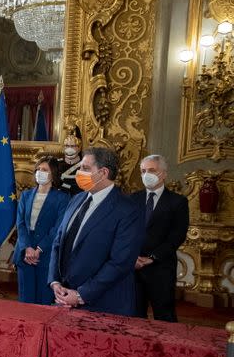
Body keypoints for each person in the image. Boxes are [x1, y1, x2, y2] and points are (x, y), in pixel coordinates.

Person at [48, 147, 144, 316]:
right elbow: (58, 242)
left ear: (103, 172)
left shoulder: (128, 209)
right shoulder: (76, 199)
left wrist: (80, 295)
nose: (78, 173)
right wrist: (55, 281)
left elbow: (120, 262)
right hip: (64, 298)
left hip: (104, 305)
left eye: (85, 168)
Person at [131, 155, 190, 322]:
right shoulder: (132, 199)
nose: (146, 175)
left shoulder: (178, 202)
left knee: (165, 316)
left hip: (161, 268)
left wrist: (152, 258)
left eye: (151, 170)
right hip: (133, 267)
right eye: (143, 171)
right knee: (133, 316)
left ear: (163, 174)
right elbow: (125, 232)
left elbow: (177, 236)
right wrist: (132, 256)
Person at [13, 157, 69, 304]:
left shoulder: (62, 198)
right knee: (26, 301)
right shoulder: (25, 195)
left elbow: (58, 227)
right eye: (38, 169)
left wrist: (39, 248)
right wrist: (27, 247)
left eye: (44, 170)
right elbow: (20, 224)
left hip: (47, 255)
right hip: (25, 254)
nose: (40, 172)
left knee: (43, 301)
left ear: (53, 174)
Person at [55, 130, 83, 196]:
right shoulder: (57, 164)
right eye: (67, 146)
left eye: (73, 146)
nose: (69, 149)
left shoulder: (85, 165)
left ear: (79, 148)